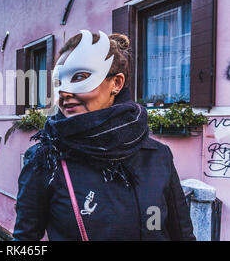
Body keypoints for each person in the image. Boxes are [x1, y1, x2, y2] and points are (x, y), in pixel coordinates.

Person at [13, 30, 195, 241]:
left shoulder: (158, 156)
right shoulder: (44, 160)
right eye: (58, 83)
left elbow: (182, 233)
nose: (64, 92)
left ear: (116, 83)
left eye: (79, 76)